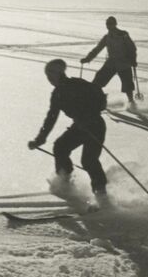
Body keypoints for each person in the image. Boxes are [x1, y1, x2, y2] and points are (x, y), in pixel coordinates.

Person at [28, 59, 108, 196]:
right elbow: (51, 117)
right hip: (79, 127)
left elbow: (98, 100)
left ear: (59, 73)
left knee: (88, 161)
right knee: (60, 147)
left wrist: (88, 117)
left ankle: (102, 195)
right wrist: (40, 139)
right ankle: (65, 182)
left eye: (51, 75)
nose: (49, 79)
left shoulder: (76, 85)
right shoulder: (57, 93)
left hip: (95, 126)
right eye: (48, 76)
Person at [81, 16, 138, 105]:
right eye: (108, 24)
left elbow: (132, 48)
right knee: (98, 80)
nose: (109, 26)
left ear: (115, 24)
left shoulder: (123, 35)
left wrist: (133, 60)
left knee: (128, 85)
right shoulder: (107, 37)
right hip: (111, 63)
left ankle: (131, 102)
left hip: (124, 63)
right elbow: (97, 49)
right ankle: (97, 99)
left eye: (111, 24)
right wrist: (88, 58)